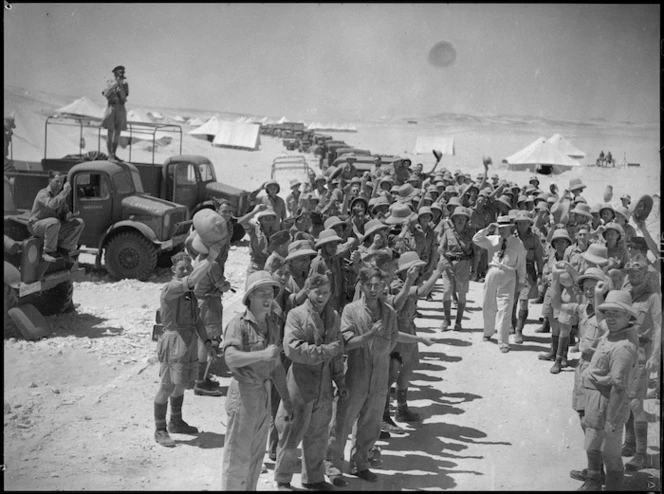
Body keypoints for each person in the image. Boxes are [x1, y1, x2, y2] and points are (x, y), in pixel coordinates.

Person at [325, 267, 400, 485]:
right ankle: (332, 466)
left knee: (371, 422)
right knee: (342, 421)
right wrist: (369, 336)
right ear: (362, 285)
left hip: (379, 373)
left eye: (378, 285)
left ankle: (360, 463)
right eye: (370, 285)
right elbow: (346, 343)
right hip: (357, 372)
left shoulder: (389, 313)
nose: (374, 289)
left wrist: (380, 354)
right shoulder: (351, 311)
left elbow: (393, 339)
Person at [274, 274, 347, 491]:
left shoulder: (333, 316)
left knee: (318, 434)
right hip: (299, 384)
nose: (322, 296)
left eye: (326, 292)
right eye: (317, 292)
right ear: (308, 290)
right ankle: (283, 479)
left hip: (324, 385)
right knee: (290, 432)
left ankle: (314, 479)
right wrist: (324, 350)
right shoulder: (296, 315)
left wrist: (340, 382)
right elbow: (292, 349)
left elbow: (337, 353)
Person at [221, 271, 293, 491]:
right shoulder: (238, 323)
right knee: (237, 456)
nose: (267, 298)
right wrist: (261, 355)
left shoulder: (272, 324)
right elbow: (230, 357)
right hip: (243, 394)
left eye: (270, 293)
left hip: (263, 393)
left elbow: (277, 366)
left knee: (255, 454)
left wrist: (287, 400)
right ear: (250, 296)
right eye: (261, 293)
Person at [152, 245, 222, 448]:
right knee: (167, 385)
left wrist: (207, 343)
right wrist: (210, 259)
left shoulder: (190, 294)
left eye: (189, 268)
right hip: (173, 341)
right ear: (173, 270)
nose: (186, 271)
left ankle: (175, 421)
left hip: (189, 340)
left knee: (181, 384)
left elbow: (198, 321)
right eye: (182, 268)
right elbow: (192, 280)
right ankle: (160, 429)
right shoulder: (171, 288)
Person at [575, 290, 639, 491]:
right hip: (596, 401)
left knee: (611, 456)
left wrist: (611, 420)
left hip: (608, 405)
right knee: (597, 446)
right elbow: (601, 319)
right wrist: (598, 295)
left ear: (628, 316)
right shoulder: (612, 332)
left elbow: (619, 389)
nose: (610, 318)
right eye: (608, 313)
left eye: (616, 313)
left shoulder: (623, 347)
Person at [620, 254, 661, 472]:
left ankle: (641, 454)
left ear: (646, 275)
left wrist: (655, 356)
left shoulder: (653, 297)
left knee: (636, 402)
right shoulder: (626, 295)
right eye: (631, 274)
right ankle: (630, 442)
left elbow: (659, 327)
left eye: (638, 273)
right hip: (624, 353)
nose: (634, 277)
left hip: (642, 354)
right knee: (626, 399)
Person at [472, 215, 527, 353]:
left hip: (509, 274)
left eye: (504, 228)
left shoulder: (517, 243)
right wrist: (487, 229)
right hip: (493, 271)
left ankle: (503, 342)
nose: (501, 231)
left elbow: (521, 264)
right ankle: (488, 331)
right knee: (488, 304)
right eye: (499, 228)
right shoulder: (492, 240)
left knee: (506, 307)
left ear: (510, 228)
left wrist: (521, 282)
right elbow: (476, 239)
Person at [28, 170, 85, 264]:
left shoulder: (59, 196)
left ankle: (64, 249)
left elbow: (64, 212)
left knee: (79, 223)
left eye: (61, 182)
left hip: (52, 226)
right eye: (57, 181)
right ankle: (48, 252)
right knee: (54, 222)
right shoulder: (43, 193)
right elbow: (52, 205)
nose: (60, 184)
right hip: (35, 226)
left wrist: (68, 216)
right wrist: (64, 192)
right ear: (50, 181)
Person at [438, 206, 476, 331]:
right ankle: (446, 319)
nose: (460, 221)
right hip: (449, 264)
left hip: (464, 265)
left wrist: (474, 271)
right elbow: (441, 248)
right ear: (453, 220)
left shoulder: (471, 234)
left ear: (466, 220)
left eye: (462, 218)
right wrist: (442, 257)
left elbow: (477, 254)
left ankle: (458, 322)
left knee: (462, 294)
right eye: (457, 218)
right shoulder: (448, 232)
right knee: (447, 291)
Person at [101, 65, 129, 160]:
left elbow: (124, 96)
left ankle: (114, 153)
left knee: (117, 132)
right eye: (119, 73)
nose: (121, 75)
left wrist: (120, 86)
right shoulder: (110, 83)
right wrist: (114, 85)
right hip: (111, 107)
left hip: (120, 108)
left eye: (122, 73)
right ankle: (110, 155)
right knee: (110, 131)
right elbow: (106, 94)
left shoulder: (125, 84)